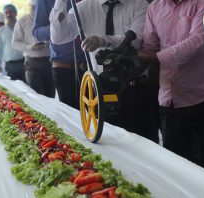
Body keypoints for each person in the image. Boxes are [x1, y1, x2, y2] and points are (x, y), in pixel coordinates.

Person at [50, 0, 161, 143]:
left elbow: (136, 41)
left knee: (145, 146)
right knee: (107, 147)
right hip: (100, 89)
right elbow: (59, 37)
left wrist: (103, 41)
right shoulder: (83, 7)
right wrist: (60, 3)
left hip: (135, 90)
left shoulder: (139, 4)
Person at [139, 0, 204, 177]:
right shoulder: (155, 7)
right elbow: (149, 46)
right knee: (177, 171)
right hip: (170, 102)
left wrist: (153, 58)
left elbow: (198, 43)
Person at [33, 0, 86, 109]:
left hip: (91, 63)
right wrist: (58, 26)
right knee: (70, 113)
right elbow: (37, 32)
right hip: (63, 66)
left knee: (97, 114)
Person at [12, 0, 55, 97]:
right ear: (30, 7)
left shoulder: (49, 19)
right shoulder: (22, 21)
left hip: (49, 62)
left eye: (40, 8)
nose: (37, 11)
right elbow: (15, 43)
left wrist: (49, 44)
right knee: (36, 96)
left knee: (51, 95)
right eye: (34, 8)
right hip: (32, 64)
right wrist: (30, 47)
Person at [0, 4, 25, 81]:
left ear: (16, 13)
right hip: (10, 65)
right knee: (14, 89)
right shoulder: (1, 31)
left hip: (25, 63)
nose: (8, 14)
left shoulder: (23, 26)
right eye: (6, 12)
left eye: (11, 12)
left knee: (28, 89)